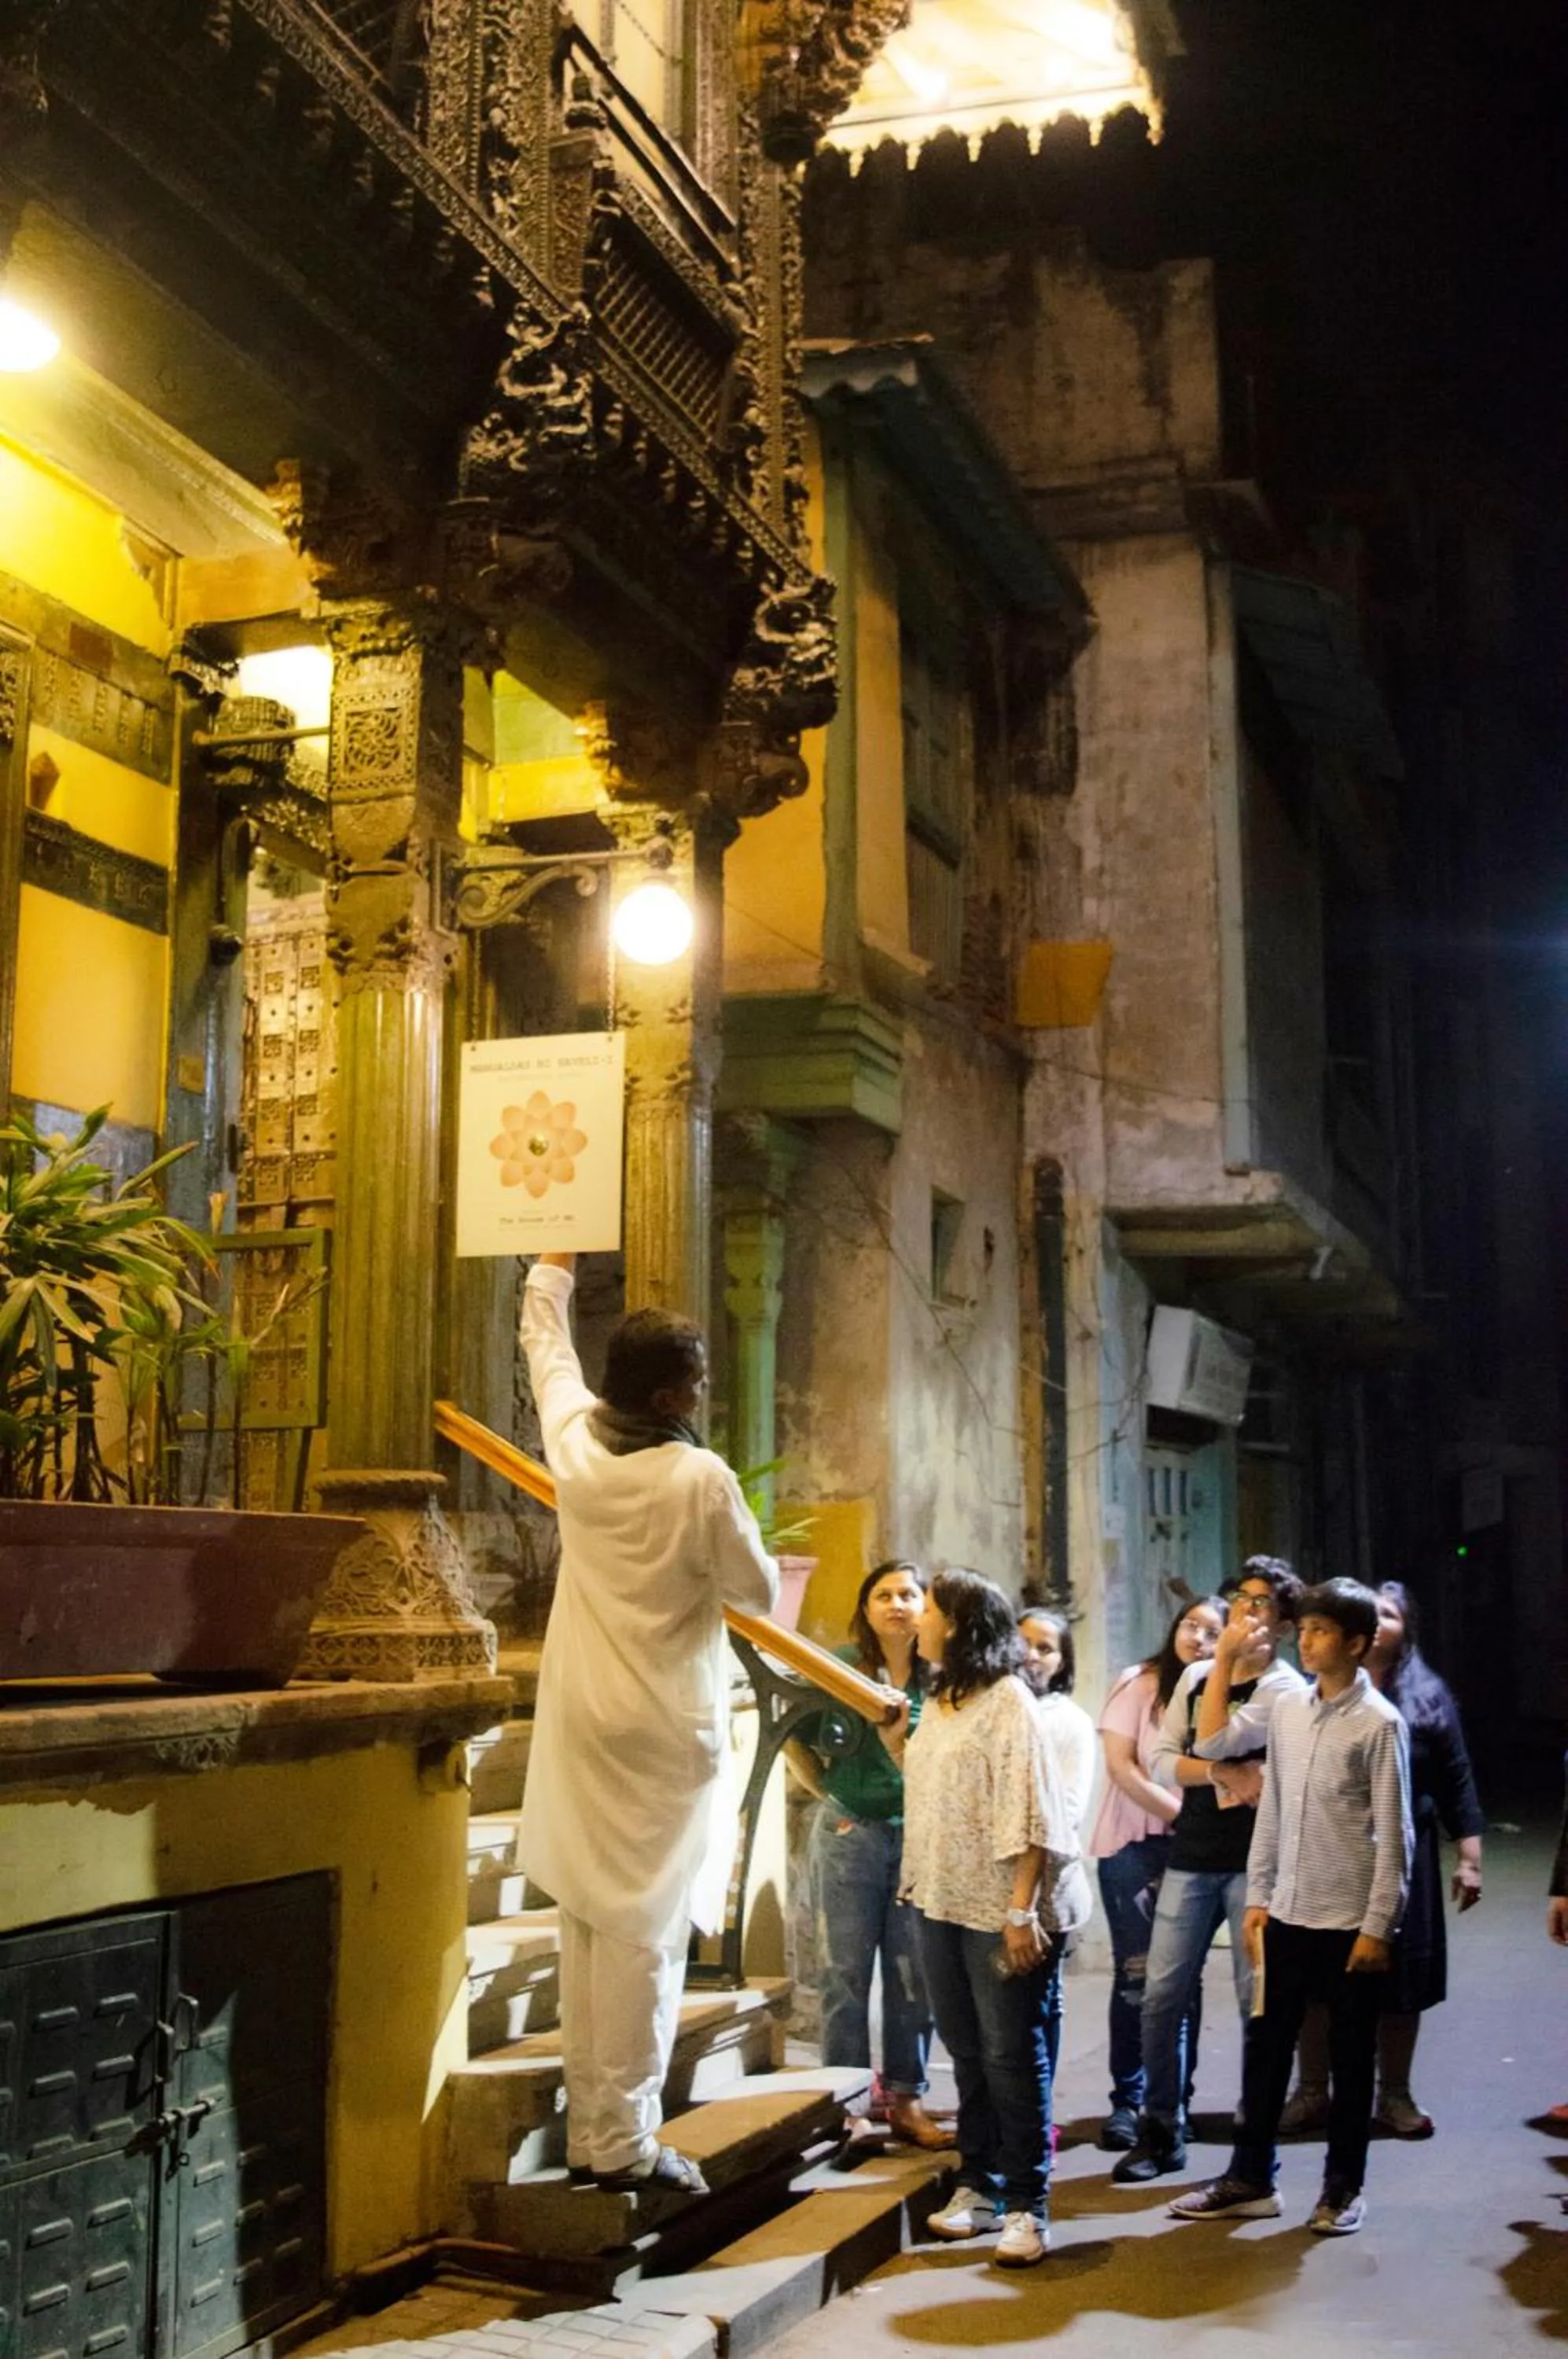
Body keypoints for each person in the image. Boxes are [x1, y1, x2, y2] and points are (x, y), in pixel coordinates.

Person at [517, 1252, 778, 2191]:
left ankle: (594, 2134)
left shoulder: (575, 1445)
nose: (705, 1391)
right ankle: (622, 2144)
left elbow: (546, 1354)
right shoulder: (698, 1477)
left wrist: (548, 1270)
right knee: (644, 1937)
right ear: (672, 1395)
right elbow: (757, 1586)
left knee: (586, 1922)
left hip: (581, 1719)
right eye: (699, 1379)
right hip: (663, 1731)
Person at [1169, 1577, 1413, 2237]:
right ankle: (1251, 2177)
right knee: (1267, 2046)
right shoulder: (1289, 1711)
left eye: (1322, 1632)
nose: (1305, 1641)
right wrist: (1259, 1897)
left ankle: (1343, 2188)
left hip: (1349, 1923)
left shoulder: (1380, 1725)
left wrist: (1377, 1927)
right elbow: (1272, 1811)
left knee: (1350, 2056)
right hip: (1286, 1914)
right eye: (1302, 1630)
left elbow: (1395, 1834)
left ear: (1358, 1644)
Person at [889, 1567, 1090, 2268]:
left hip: (1000, 1909)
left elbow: (1034, 1813)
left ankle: (1028, 2206)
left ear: (960, 1624)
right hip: (939, 1900)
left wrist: (1019, 1910)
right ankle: (978, 2183)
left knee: (1011, 2054)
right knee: (967, 2050)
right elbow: (932, 1789)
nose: (919, 1620)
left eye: (931, 1610)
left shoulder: (1010, 1703)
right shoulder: (942, 1697)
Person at [1113, 1558, 1306, 2184]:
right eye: (1241, 1600)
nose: (1247, 1613)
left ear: (1280, 1624)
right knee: (1162, 1995)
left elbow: (1214, 1739)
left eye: (1262, 1605)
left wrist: (1217, 1750)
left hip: (1256, 1861)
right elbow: (1167, 1760)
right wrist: (1227, 1774)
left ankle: (1255, 2142)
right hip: (1192, 1855)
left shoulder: (1284, 1690)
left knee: (1258, 1999)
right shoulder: (1196, 1676)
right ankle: (1162, 2127)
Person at [1280, 1580, 1482, 2139]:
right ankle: (1312, 2091)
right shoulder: (1306, 1698)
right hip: (1330, 1853)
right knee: (1318, 1982)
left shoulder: (1420, 1699)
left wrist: (1470, 1856)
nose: (1379, 1621)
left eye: (1389, 1613)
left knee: (1402, 1980)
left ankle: (1393, 2093)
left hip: (1403, 1853)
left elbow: (1455, 1777)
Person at [787, 1560, 948, 2149]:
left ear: (927, 1606)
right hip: (851, 1837)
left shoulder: (942, 1678)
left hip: (920, 1840)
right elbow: (795, 1738)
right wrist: (829, 1794)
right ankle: (850, 2105)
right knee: (845, 1975)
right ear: (866, 1607)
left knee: (913, 1977)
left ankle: (907, 2100)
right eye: (883, 1594)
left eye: (909, 1594)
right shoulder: (840, 1669)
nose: (896, 1604)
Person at [1088, 1597, 1225, 2151]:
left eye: (1212, 1631)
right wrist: (1184, 1816)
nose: (1197, 1637)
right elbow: (1121, 1767)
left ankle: (1173, 2104)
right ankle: (1128, 2100)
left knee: (1181, 1982)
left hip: (1195, 1856)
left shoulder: (1226, 1697)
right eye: (1190, 1625)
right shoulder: (1139, 1684)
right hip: (1132, 1847)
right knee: (1136, 1977)